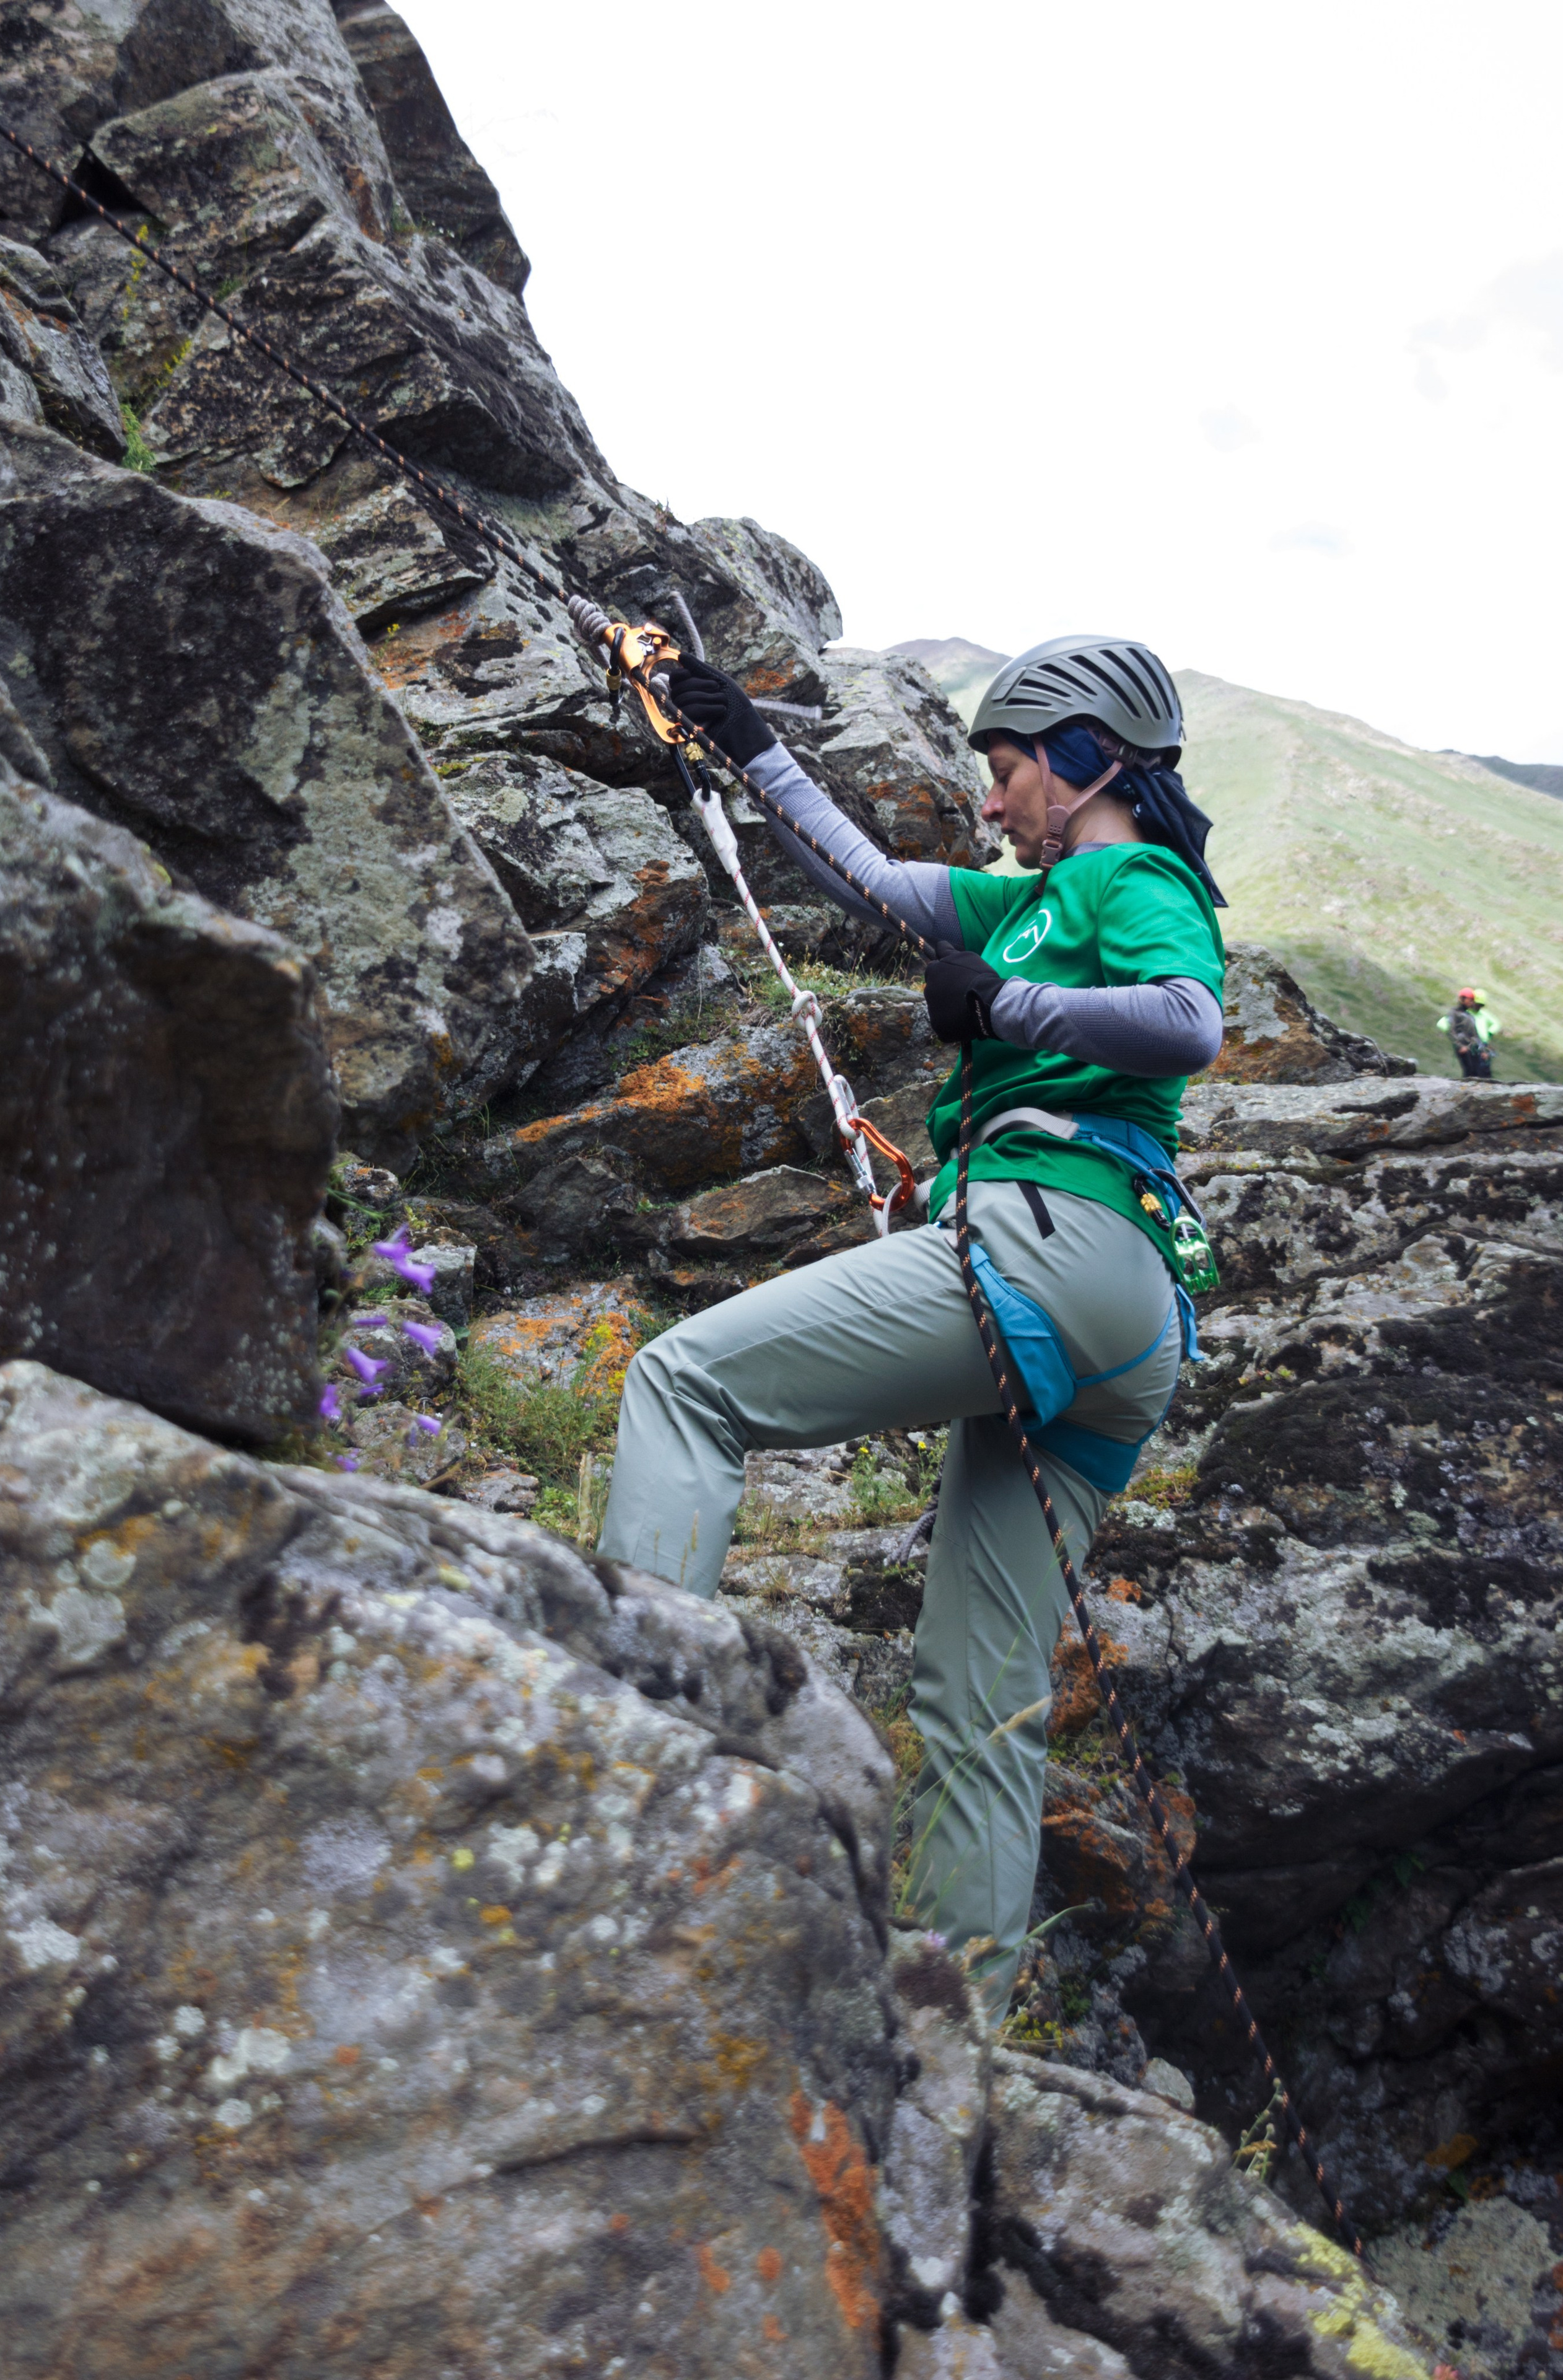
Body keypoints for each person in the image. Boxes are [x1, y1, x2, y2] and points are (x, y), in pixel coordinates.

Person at [597, 633, 1227, 2017]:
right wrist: (744, 743)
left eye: (1005, 775)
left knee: (683, 1386)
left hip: (1052, 1239)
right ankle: (957, 2061)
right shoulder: (1028, 898)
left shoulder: (1124, 876)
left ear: (1083, 762)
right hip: (1123, 1325)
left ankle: (622, 1774)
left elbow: (1188, 1022)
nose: (990, 805)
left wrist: (1007, 1004)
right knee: (977, 1702)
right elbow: (876, 885)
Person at [1437, 986, 1500, 1079]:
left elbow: (1475, 1035)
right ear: (1462, 999)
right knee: (1470, 1072)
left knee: (1480, 1072)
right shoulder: (1454, 1013)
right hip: (1465, 1048)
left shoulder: (1469, 1016)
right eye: (1470, 1000)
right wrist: (1460, 1046)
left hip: (1474, 1048)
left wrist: (1483, 1051)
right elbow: (1452, 1031)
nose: (1472, 1003)